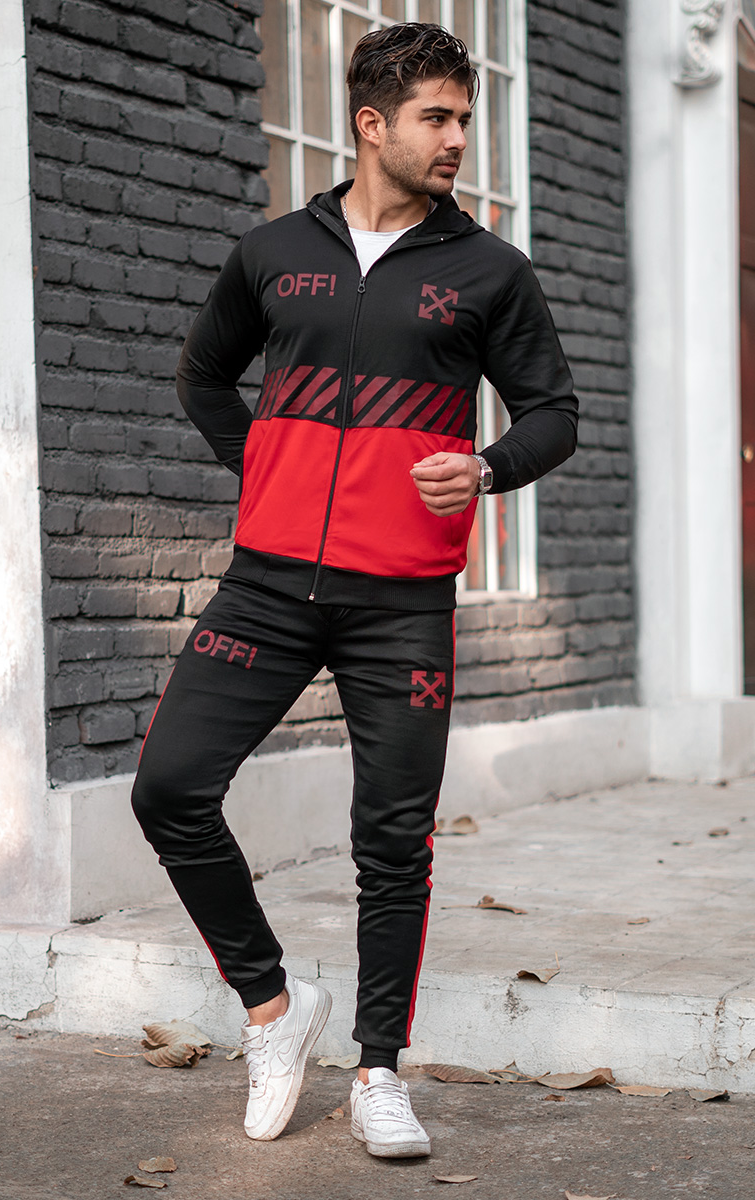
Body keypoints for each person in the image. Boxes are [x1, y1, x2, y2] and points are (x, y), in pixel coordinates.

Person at [131, 21, 578, 1159]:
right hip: (268, 587)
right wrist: (269, 470)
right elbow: (203, 375)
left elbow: (553, 414)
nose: (458, 138)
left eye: (465, 117)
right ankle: (273, 1012)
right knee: (169, 789)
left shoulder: (491, 271)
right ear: (371, 123)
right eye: (437, 117)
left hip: (403, 601)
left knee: (392, 840)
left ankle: (381, 1069)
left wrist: (486, 467)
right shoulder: (274, 252)